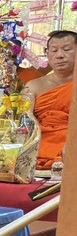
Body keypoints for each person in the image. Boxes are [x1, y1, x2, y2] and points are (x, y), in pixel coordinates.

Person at [22, 29, 75, 168]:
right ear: (47, 54)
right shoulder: (33, 86)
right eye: (54, 50)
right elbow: (21, 119)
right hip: (40, 145)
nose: (60, 56)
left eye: (67, 49)